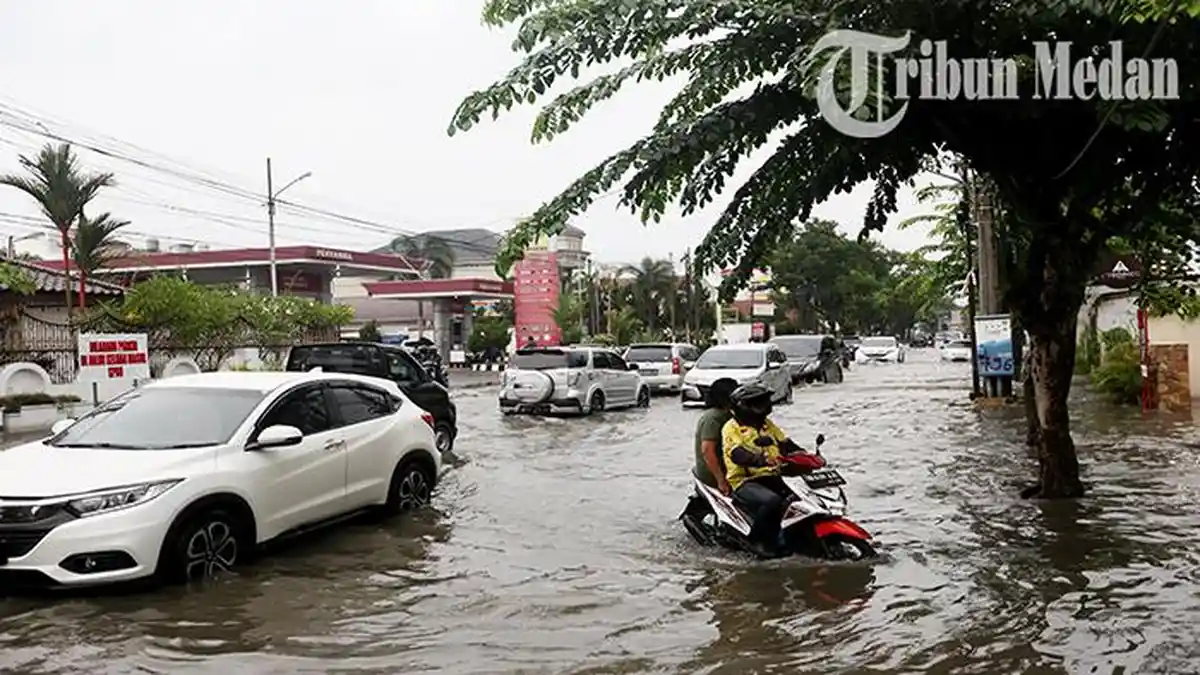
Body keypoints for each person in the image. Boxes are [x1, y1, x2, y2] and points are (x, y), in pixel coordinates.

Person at [721, 383, 815, 556]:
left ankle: (794, 538)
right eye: (758, 402)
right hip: (745, 481)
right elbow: (737, 454)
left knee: (801, 499)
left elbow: (786, 444)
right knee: (772, 502)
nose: (765, 406)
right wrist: (761, 460)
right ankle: (757, 541)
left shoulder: (767, 425)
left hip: (773, 477)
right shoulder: (731, 428)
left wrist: (808, 457)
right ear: (744, 406)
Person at [693, 378, 739, 495]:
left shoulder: (725, 415)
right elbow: (707, 450)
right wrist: (721, 480)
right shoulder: (714, 418)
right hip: (713, 477)